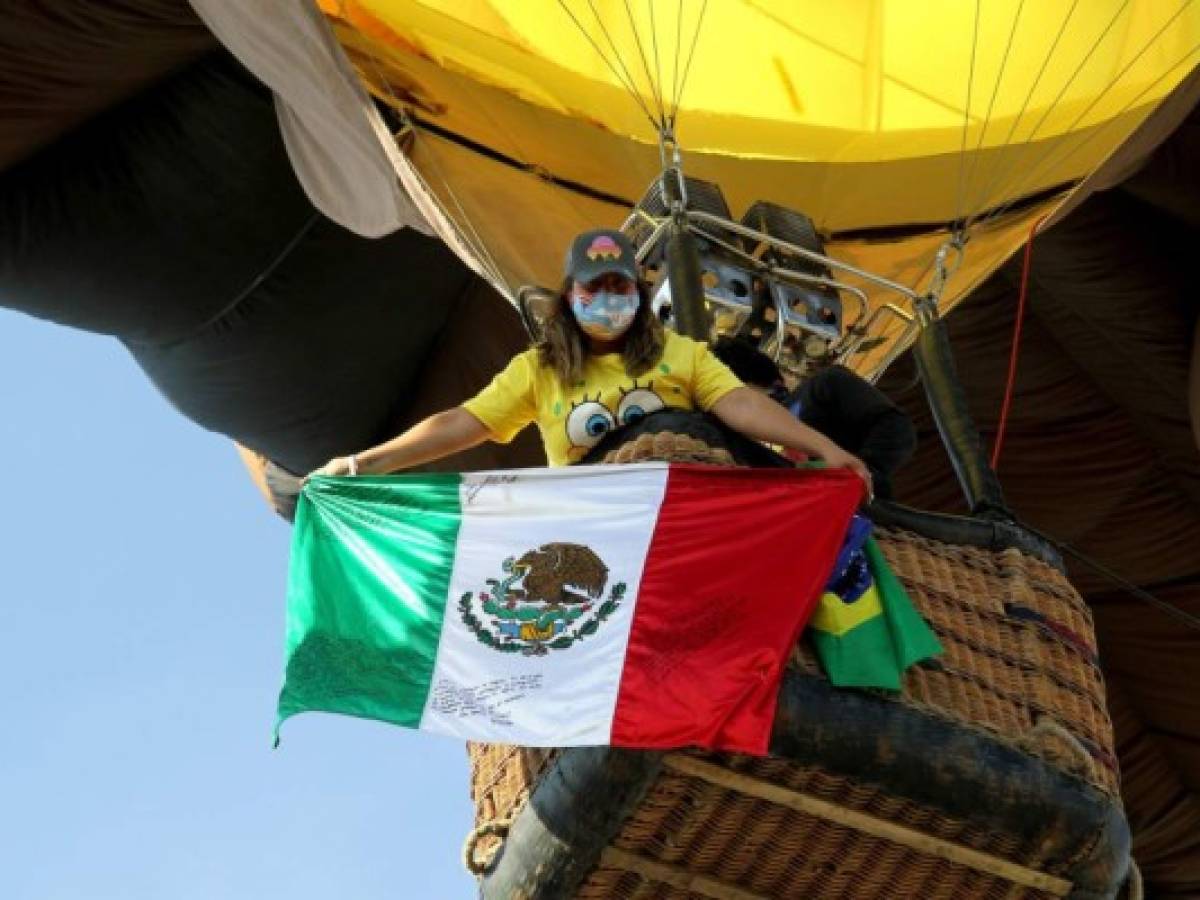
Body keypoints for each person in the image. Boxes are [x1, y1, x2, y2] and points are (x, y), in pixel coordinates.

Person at [310, 229, 872, 494]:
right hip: (598, 522)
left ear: (637, 293)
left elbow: (740, 404)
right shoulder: (539, 370)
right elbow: (463, 423)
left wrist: (825, 449)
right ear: (569, 297)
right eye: (593, 288)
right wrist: (365, 463)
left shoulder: (679, 353)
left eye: (620, 286)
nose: (608, 300)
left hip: (688, 508)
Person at [712, 336, 915, 499]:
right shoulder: (738, 441)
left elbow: (895, 426)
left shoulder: (824, 386)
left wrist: (862, 474)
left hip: (851, 512)